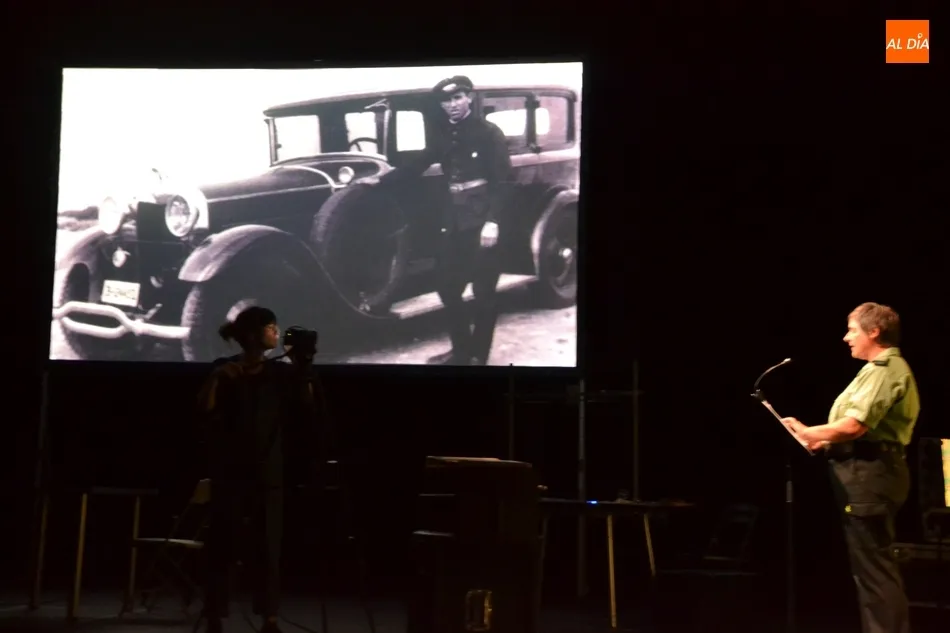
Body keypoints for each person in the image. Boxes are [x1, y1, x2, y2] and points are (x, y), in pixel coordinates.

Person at [782, 302, 920, 633]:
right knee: (869, 569)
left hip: (871, 473)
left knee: (875, 571)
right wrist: (823, 441)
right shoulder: (875, 369)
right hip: (865, 470)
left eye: (852, 330)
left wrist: (809, 432)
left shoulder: (887, 369)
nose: (846, 337)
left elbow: (855, 425)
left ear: (874, 331)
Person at [373, 75, 512, 365]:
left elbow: (503, 182)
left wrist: (493, 222)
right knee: (448, 287)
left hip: (483, 222)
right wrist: (378, 181)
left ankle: (479, 357)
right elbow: (419, 163)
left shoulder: (489, 133)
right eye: (446, 100)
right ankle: (461, 352)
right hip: (455, 221)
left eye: (458, 97)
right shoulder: (444, 134)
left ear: (469, 98)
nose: (453, 105)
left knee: (484, 292)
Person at [197, 306, 318, 633]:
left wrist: (303, 366)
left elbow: (307, 405)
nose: (276, 332)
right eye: (270, 327)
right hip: (231, 473)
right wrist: (218, 378)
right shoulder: (225, 369)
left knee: (268, 548)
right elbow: (203, 409)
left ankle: (270, 617)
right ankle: (214, 614)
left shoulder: (279, 373)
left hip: (268, 472)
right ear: (253, 335)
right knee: (222, 545)